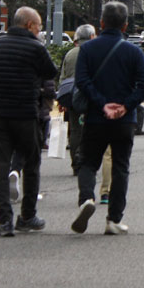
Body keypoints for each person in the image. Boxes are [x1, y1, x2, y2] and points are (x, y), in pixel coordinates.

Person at [0, 7, 57, 236]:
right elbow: (51, 71)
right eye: (39, 26)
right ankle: (27, 216)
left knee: (1, 165)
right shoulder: (36, 47)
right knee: (31, 163)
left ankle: (5, 222)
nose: (40, 30)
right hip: (26, 114)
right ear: (29, 25)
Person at [71, 1, 144, 235]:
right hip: (124, 122)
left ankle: (87, 198)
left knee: (88, 162)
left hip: (96, 117)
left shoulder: (87, 50)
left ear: (102, 23)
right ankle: (113, 219)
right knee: (120, 167)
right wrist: (125, 106)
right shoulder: (134, 52)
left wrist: (101, 103)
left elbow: (82, 82)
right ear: (125, 25)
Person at [59, 24, 96, 176]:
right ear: (92, 37)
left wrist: (61, 101)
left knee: (74, 130)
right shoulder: (95, 52)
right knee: (92, 129)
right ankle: (88, 160)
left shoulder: (70, 54)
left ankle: (75, 162)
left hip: (72, 95)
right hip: (92, 95)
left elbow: (62, 77)